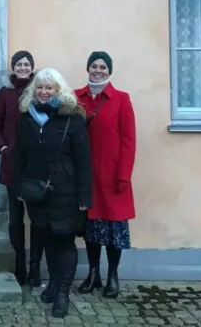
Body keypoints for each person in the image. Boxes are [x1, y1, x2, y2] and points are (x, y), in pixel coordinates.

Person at [11, 67, 92, 319]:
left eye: (49, 88)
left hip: (66, 193)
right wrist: (19, 188)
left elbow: (84, 162)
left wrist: (85, 197)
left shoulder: (72, 118)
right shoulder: (27, 118)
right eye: (40, 87)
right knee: (46, 238)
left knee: (65, 242)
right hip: (38, 193)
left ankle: (63, 293)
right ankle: (54, 283)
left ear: (58, 91)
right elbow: (19, 156)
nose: (44, 92)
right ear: (34, 90)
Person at [75, 51, 136, 299]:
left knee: (113, 232)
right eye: (93, 66)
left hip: (112, 179)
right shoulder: (76, 99)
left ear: (109, 71)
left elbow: (128, 141)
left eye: (102, 67)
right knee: (91, 229)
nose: (97, 70)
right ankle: (93, 273)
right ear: (87, 69)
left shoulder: (121, 99)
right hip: (86, 178)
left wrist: (123, 175)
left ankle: (112, 275)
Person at [0, 50, 41, 286]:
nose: (23, 68)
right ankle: (19, 262)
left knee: (38, 219)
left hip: (37, 166)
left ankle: (36, 267)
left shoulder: (40, 90)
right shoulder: (5, 93)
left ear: (32, 67)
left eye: (27, 64)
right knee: (16, 218)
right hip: (12, 165)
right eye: (19, 64)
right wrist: (3, 147)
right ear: (13, 67)